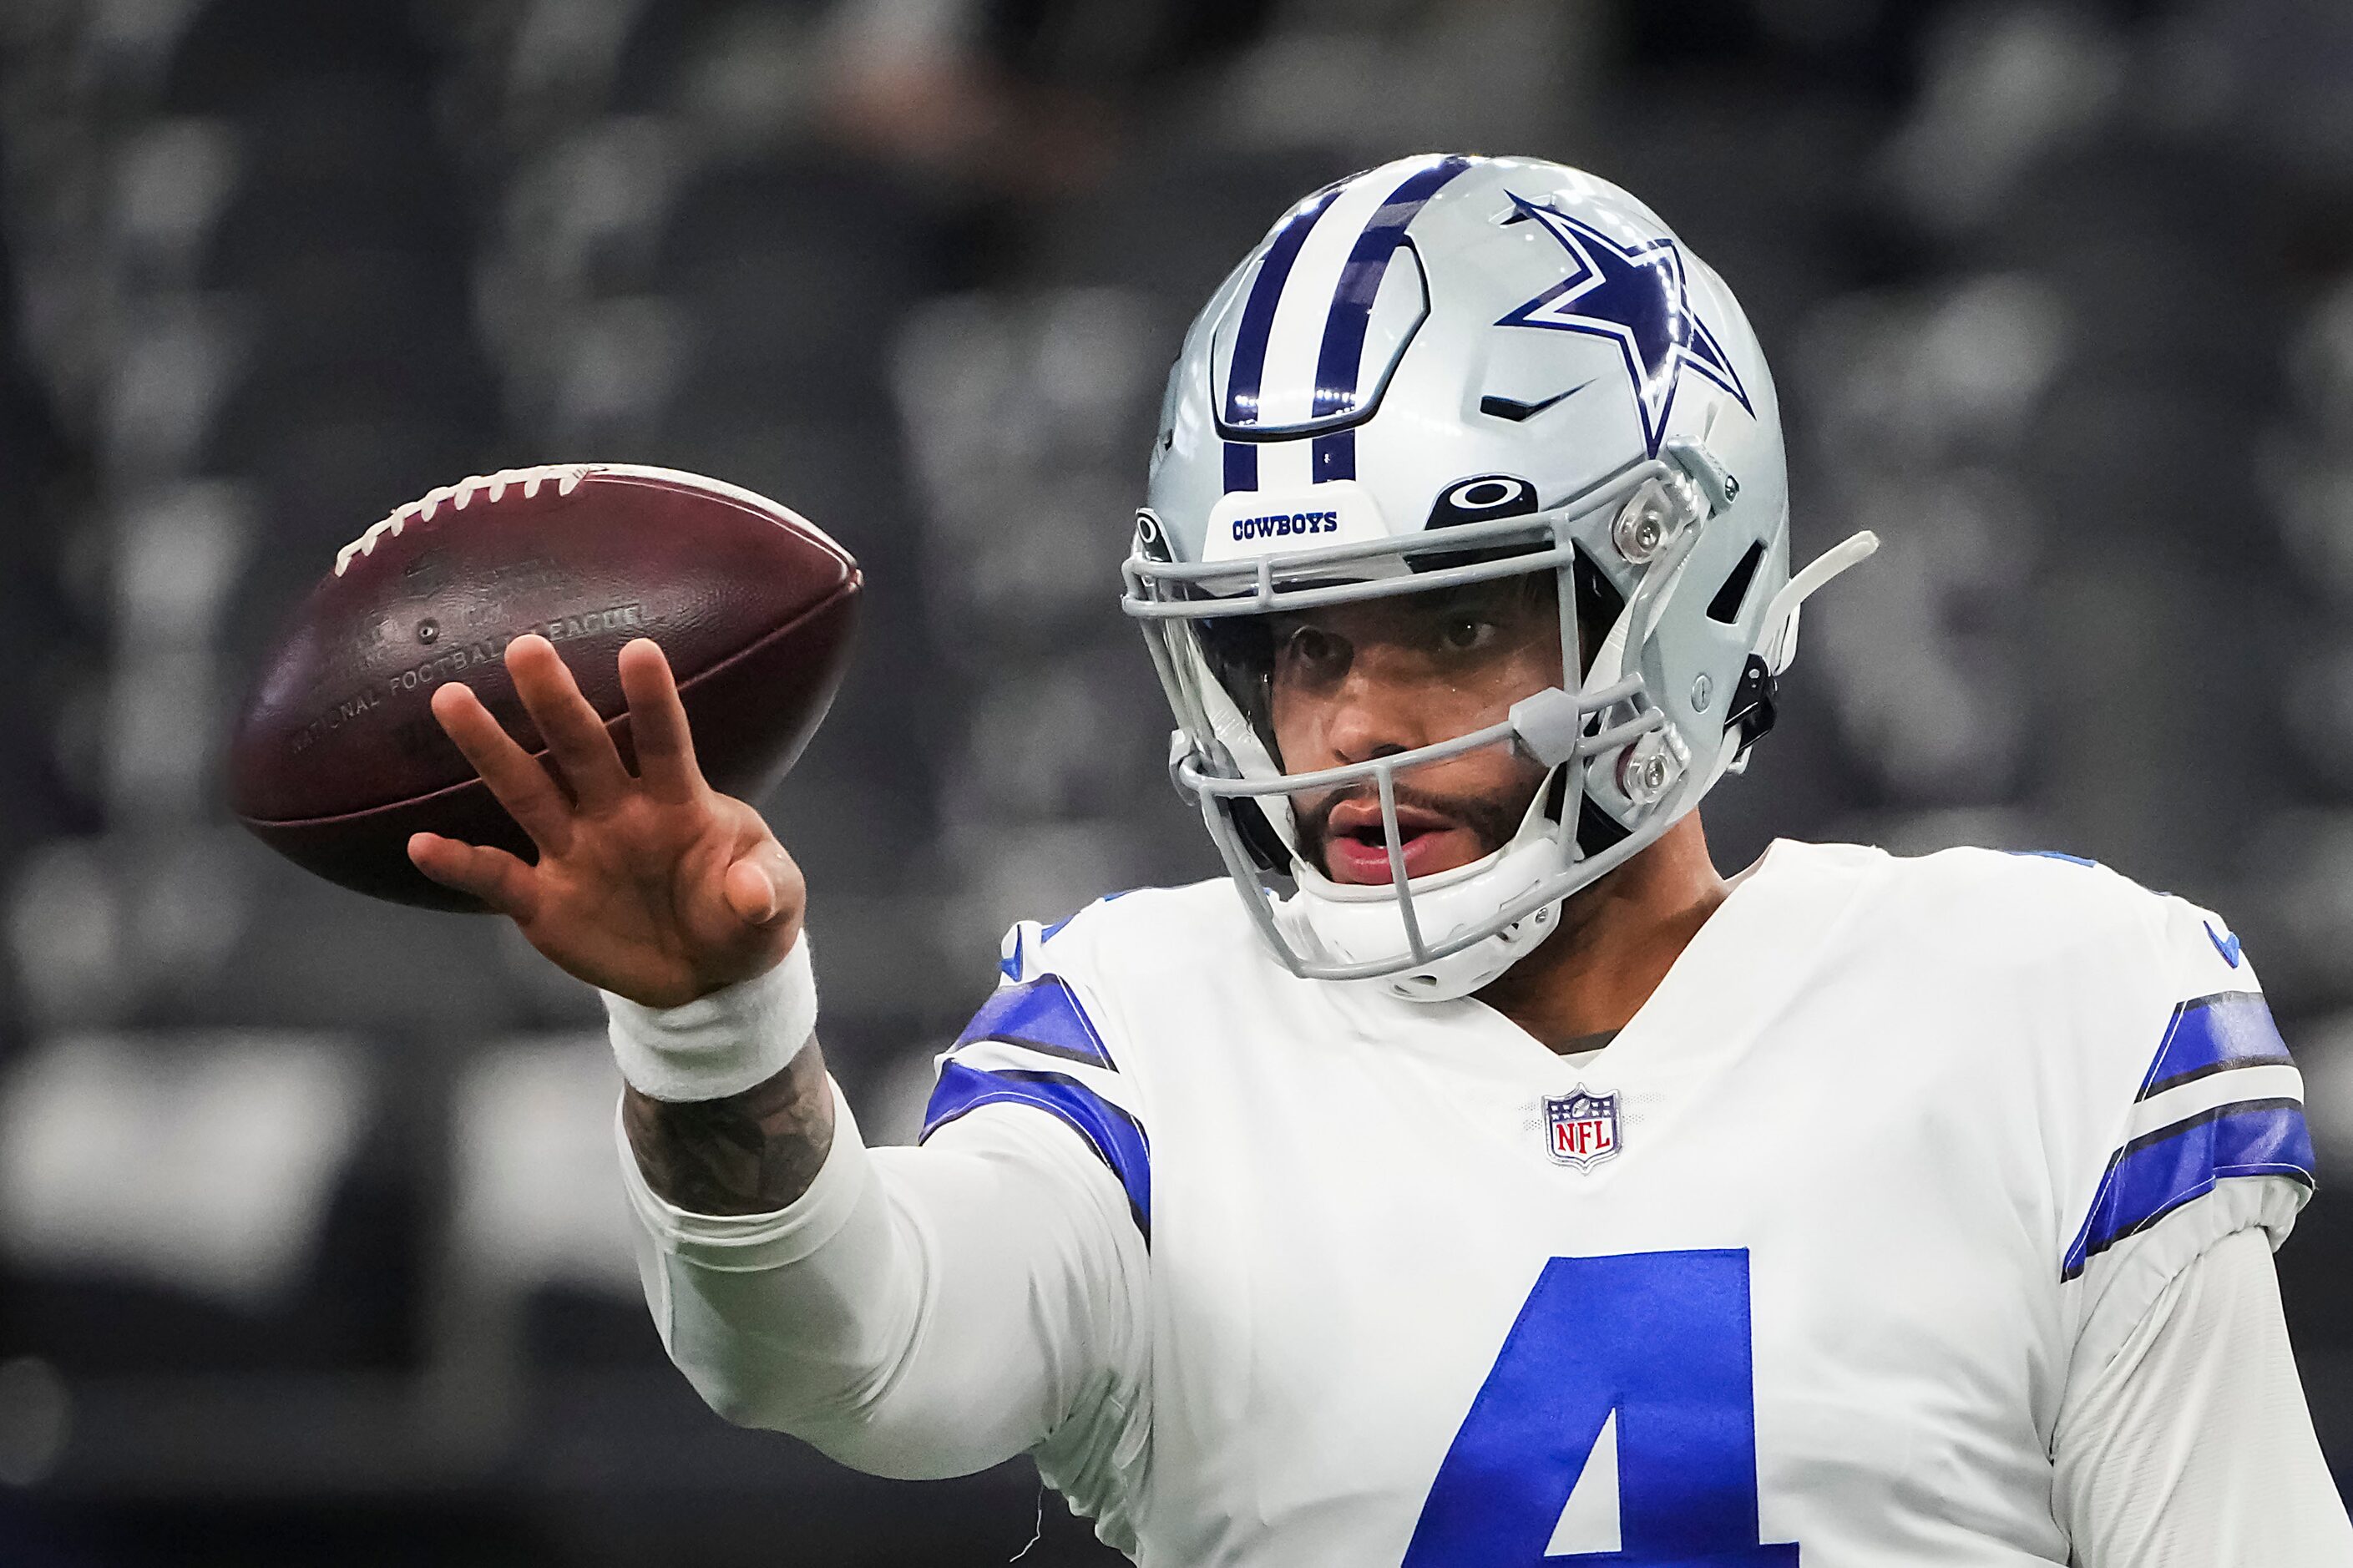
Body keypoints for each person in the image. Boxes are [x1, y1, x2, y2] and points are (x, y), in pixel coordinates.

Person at [406, 154, 2353, 1564]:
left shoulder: (2045, 1012)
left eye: (1449, 628)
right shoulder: (1154, 1034)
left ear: (1674, 591)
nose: (1346, 725)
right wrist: (713, 1033)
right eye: (1299, 646)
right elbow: (853, 1346)